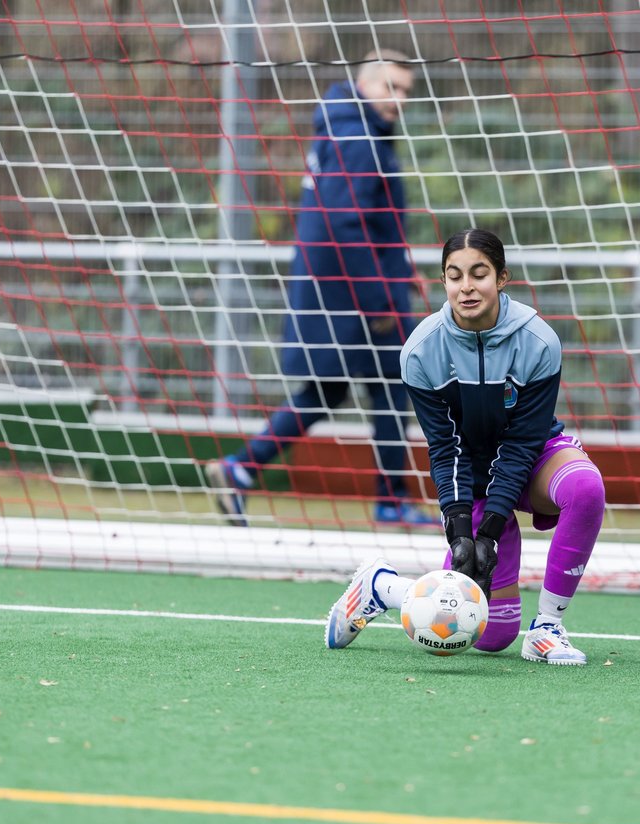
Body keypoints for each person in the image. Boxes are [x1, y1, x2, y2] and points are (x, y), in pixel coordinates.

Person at [322, 228, 607, 665]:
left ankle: (548, 628)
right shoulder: (420, 351)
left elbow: (524, 440)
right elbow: (445, 446)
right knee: (490, 637)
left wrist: (490, 528)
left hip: (530, 457)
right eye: (455, 276)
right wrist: (462, 530)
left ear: (502, 278)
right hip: (470, 474)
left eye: (479, 274)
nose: (467, 287)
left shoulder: (539, 340)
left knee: (586, 488)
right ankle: (381, 586)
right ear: (444, 281)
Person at [205, 49, 433, 528]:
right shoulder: (358, 139)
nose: (400, 100)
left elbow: (362, 222)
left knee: (341, 391)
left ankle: (241, 469)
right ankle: (388, 501)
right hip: (357, 298)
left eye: (406, 91)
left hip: (344, 292)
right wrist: (380, 298)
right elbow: (344, 224)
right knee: (387, 388)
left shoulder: (347, 131)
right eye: (390, 87)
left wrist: (400, 265)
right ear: (363, 84)